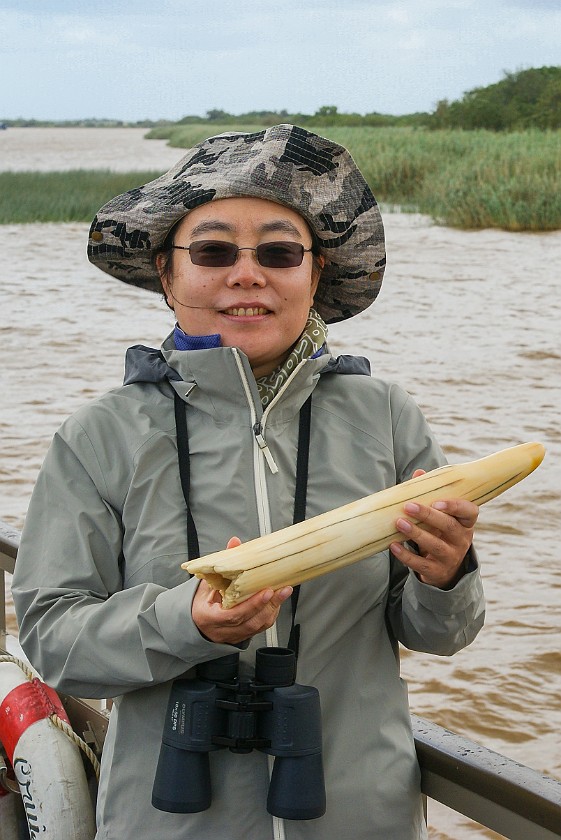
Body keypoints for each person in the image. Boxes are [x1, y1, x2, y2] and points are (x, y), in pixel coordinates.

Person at [12, 124, 484, 840]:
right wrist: (186, 623)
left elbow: (438, 636)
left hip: (359, 815)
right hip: (166, 819)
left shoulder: (385, 415)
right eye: (212, 251)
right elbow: (52, 641)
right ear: (167, 275)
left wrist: (445, 574)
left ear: (314, 273)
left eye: (278, 252)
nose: (246, 273)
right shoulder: (98, 435)